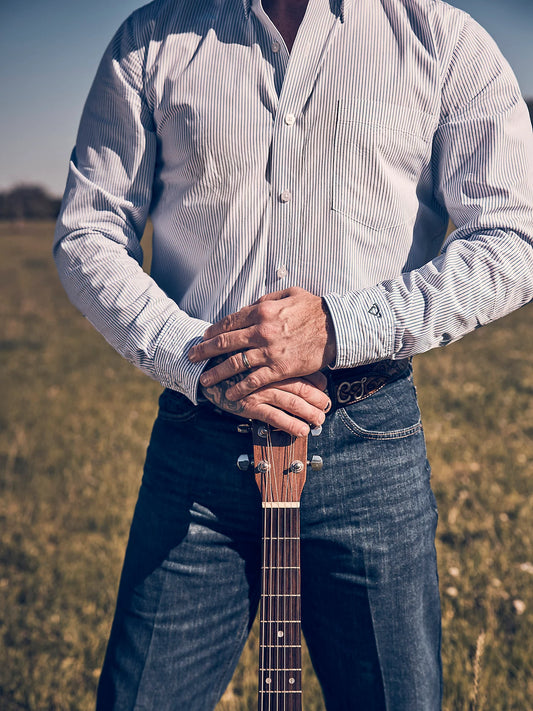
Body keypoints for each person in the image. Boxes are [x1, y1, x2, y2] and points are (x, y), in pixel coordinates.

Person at [53, 0, 533, 708]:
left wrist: (337, 327)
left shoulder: (444, 39)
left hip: (368, 446)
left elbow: (511, 239)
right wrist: (202, 361)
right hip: (199, 452)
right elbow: (87, 232)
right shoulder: (150, 41)